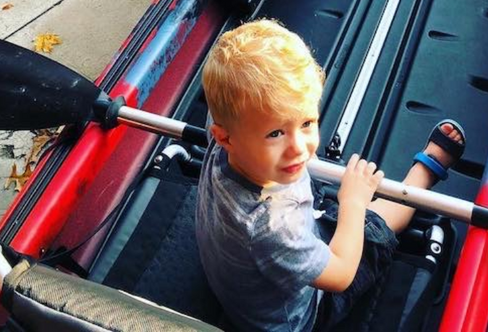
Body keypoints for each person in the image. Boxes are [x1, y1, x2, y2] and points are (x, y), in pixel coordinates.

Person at [195, 19, 466, 331]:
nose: (299, 148)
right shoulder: (271, 228)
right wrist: (352, 203)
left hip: (252, 275)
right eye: (275, 133)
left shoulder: (227, 134)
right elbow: (340, 275)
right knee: (372, 224)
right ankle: (422, 175)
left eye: (307, 122)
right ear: (225, 137)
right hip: (300, 314)